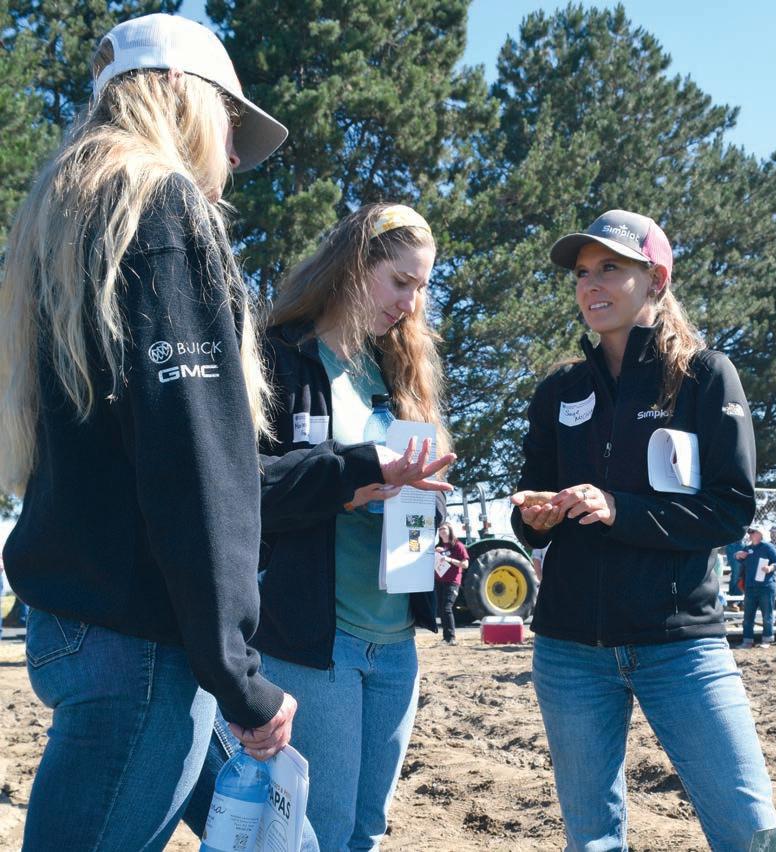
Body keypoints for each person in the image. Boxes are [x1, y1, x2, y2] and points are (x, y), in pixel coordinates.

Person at [0, 14, 300, 850]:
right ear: (175, 90)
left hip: (81, 624)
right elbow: (191, 457)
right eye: (228, 121)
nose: (232, 154)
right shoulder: (158, 205)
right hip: (143, 640)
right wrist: (238, 673)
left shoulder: (58, 220)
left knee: (283, 838)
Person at [185, 203, 454, 851]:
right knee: (321, 834)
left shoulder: (400, 373)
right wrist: (351, 481)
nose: (411, 304)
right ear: (353, 265)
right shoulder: (277, 358)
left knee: (366, 831)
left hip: (394, 641)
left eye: (421, 288)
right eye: (400, 281)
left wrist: (434, 531)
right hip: (313, 642)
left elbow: (413, 489)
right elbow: (240, 491)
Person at [511, 209, 776, 850]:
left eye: (610, 268)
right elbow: (531, 514)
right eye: (582, 272)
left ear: (656, 279)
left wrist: (618, 508)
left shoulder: (706, 376)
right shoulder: (558, 390)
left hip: (680, 646)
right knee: (592, 841)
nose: (591, 284)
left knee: (751, 832)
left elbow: (729, 509)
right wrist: (533, 518)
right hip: (569, 651)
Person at [737, 525, 776, 648]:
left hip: (766, 586)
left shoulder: (768, 547)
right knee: (748, 616)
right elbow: (739, 559)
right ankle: (747, 641)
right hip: (750, 587)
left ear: (760, 534)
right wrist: (737, 555)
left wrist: (770, 568)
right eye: (749, 532)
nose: (750, 534)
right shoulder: (747, 548)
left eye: (753, 532)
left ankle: (767, 640)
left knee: (767, 615)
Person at [435, 522, 469, 645]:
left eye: (444, 528)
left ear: (450, 530)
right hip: (439, 581)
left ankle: (451, 638)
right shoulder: (438, 546)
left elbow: (465, 564)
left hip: (452, 581)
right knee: (441, 609)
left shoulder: (458, 545)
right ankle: (446, 638)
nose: (441, 531)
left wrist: (449, 559)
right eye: (440, 529)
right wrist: (435, 552)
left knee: (447, 607)